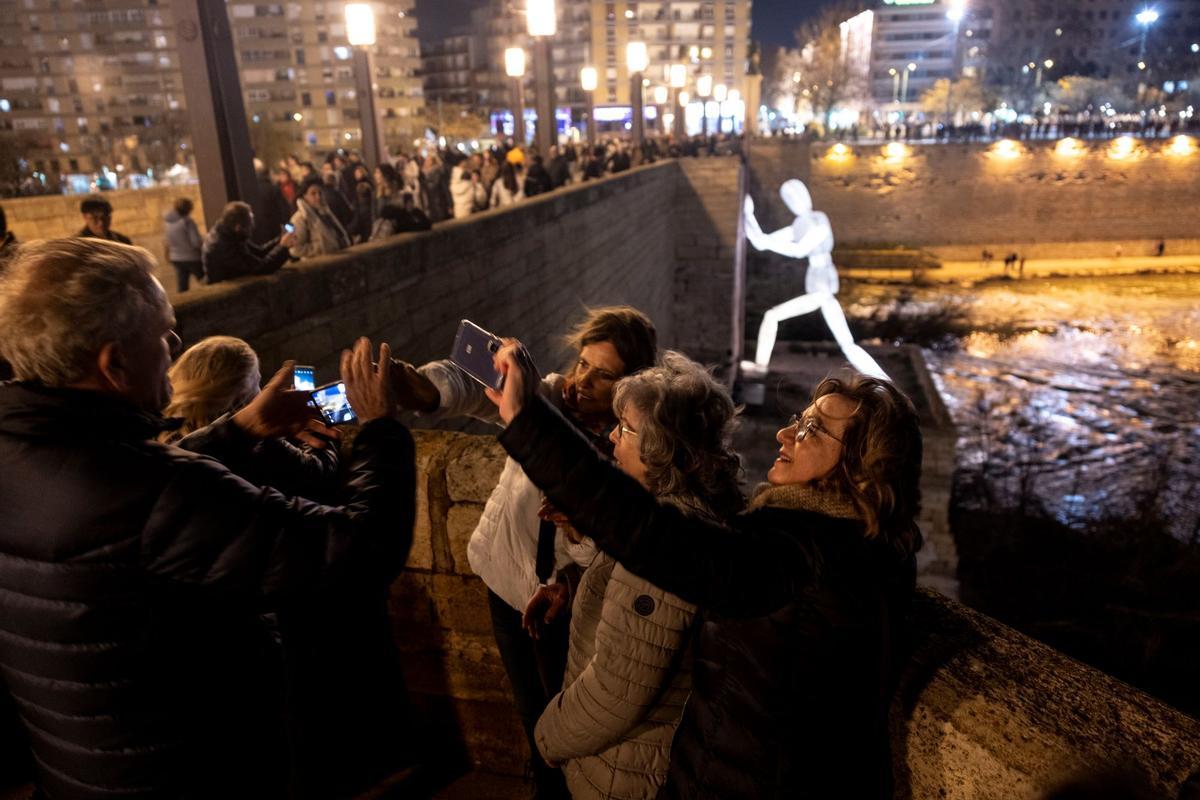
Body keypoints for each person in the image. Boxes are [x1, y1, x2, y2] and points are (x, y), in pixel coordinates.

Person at [0, 236, 416, 799]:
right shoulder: (157, 488)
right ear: (114, 363)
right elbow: (358, 552)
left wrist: (239, 429)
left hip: (79, 770)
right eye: (161, 333)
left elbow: (116, 486)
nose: (175, 344)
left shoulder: (20, 449)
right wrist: (380, 427)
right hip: (190, 772)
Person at [491, 353, 924, 800]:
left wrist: (529, 424)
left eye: (812, 429)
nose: (785, 433)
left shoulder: (804, 555)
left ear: (861, 466)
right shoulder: (871, 547)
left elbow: (656, 539)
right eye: (800, 419)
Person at [391, 307, 658, 800]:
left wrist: (579, 533)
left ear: (630, 384)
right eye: (583, 364)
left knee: (565, 720)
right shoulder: (548, 395)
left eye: (603, 376)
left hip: (566, 604)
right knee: (529, 708)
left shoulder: (632, 450)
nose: (583, 382)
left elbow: (622, 549)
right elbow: (472, 384)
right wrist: (421, 388)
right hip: (506, 583)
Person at [531, 352, 744, 800]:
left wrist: (548, 736)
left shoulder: (668, 543)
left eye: (626, 428)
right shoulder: (683, 515)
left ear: (663, 446)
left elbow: (616, 691)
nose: (612, 436)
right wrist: (574, 586)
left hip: (620, 771)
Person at [742, 181, 888, 382]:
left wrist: (766, 239)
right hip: (816, 286)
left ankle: (883, 380)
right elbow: (761, 243)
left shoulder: (819, 219)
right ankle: (760, 367)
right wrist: (748, 215)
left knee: (846, 342)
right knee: (845, 342)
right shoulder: (798, 226)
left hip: (823, 285)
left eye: (797, 195)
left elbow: (800, 249)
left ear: (806, 196)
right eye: (789, 199)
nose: (795, 202)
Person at [202, 200, 295, 284]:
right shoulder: (223, 246)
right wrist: (283, 246)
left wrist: (279, 240)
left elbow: (259, 252)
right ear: (238, 227)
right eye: (250, 225)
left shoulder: (230, 234)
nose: (253, 227)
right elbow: (261, 268)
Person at [290, 175, 352, 259]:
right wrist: (323, 247)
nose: (318, 197)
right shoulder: (299, 219)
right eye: (313, 193)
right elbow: (295, 249)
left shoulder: (325, 212)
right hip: (317, 263)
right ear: (304, 196)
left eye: (320, 193)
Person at [162, 196, 205, 292]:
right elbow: (196, 242)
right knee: (205, 281)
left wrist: (168, 255)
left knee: (182, 287)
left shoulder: (167, 222)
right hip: (192, 257)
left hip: (176, 258)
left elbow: (166, 241)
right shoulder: (188, 222)